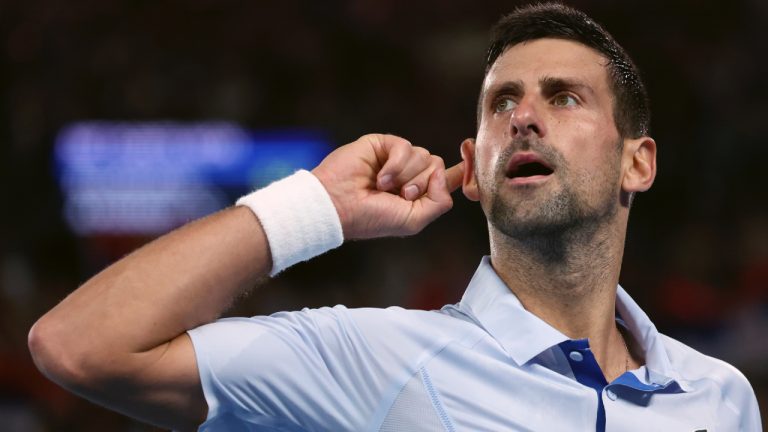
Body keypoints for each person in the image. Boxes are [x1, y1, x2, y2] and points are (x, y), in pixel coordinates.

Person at [28, 3, 761, 431]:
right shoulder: (366, 357)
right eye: (502, 102)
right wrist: (313, 207)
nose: (526, 118)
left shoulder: (721, 398)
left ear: (639, 162)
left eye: (565, 97)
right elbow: (78, 346)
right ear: (471, 169)